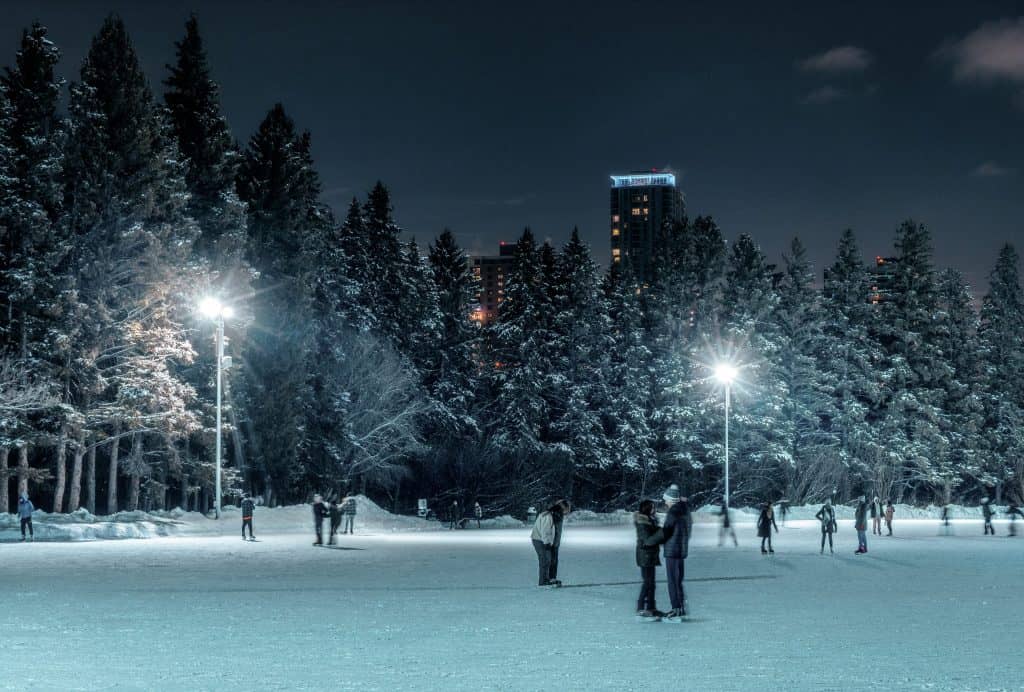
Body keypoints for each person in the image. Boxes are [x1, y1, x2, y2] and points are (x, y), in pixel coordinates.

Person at [646, 484, 691, 619]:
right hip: (681, 549)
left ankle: (675, 608)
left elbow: (666, 532)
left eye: (666, 499)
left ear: (671, 499)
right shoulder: (684, 511)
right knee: (678, 580)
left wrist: (650, 541)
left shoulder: (673, 512)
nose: (665, 502)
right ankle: (680, 607)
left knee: (672, 580)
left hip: (672, 550)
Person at [633, 499, 663, 620]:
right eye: (652, 507)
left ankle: (651, 606)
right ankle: (641, 607)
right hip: (645, 555)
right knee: (647, 582)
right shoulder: (643, 522)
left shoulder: (650, 520)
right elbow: (648, 539)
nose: (654, 509)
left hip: (650, 555)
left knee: (652, 583)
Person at [530, 499, 571, 586]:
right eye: (566, 510)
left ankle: (551, 579)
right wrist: (547, 543)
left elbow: (556, 531)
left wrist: (555, 543)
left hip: (550, 541)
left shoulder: (557, 516)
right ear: (560, 508)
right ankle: (543, 581)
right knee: (545, 560)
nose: (566, 513)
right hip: (540, 540)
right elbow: (545, 531)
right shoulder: (548, 515)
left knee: (553, 560)